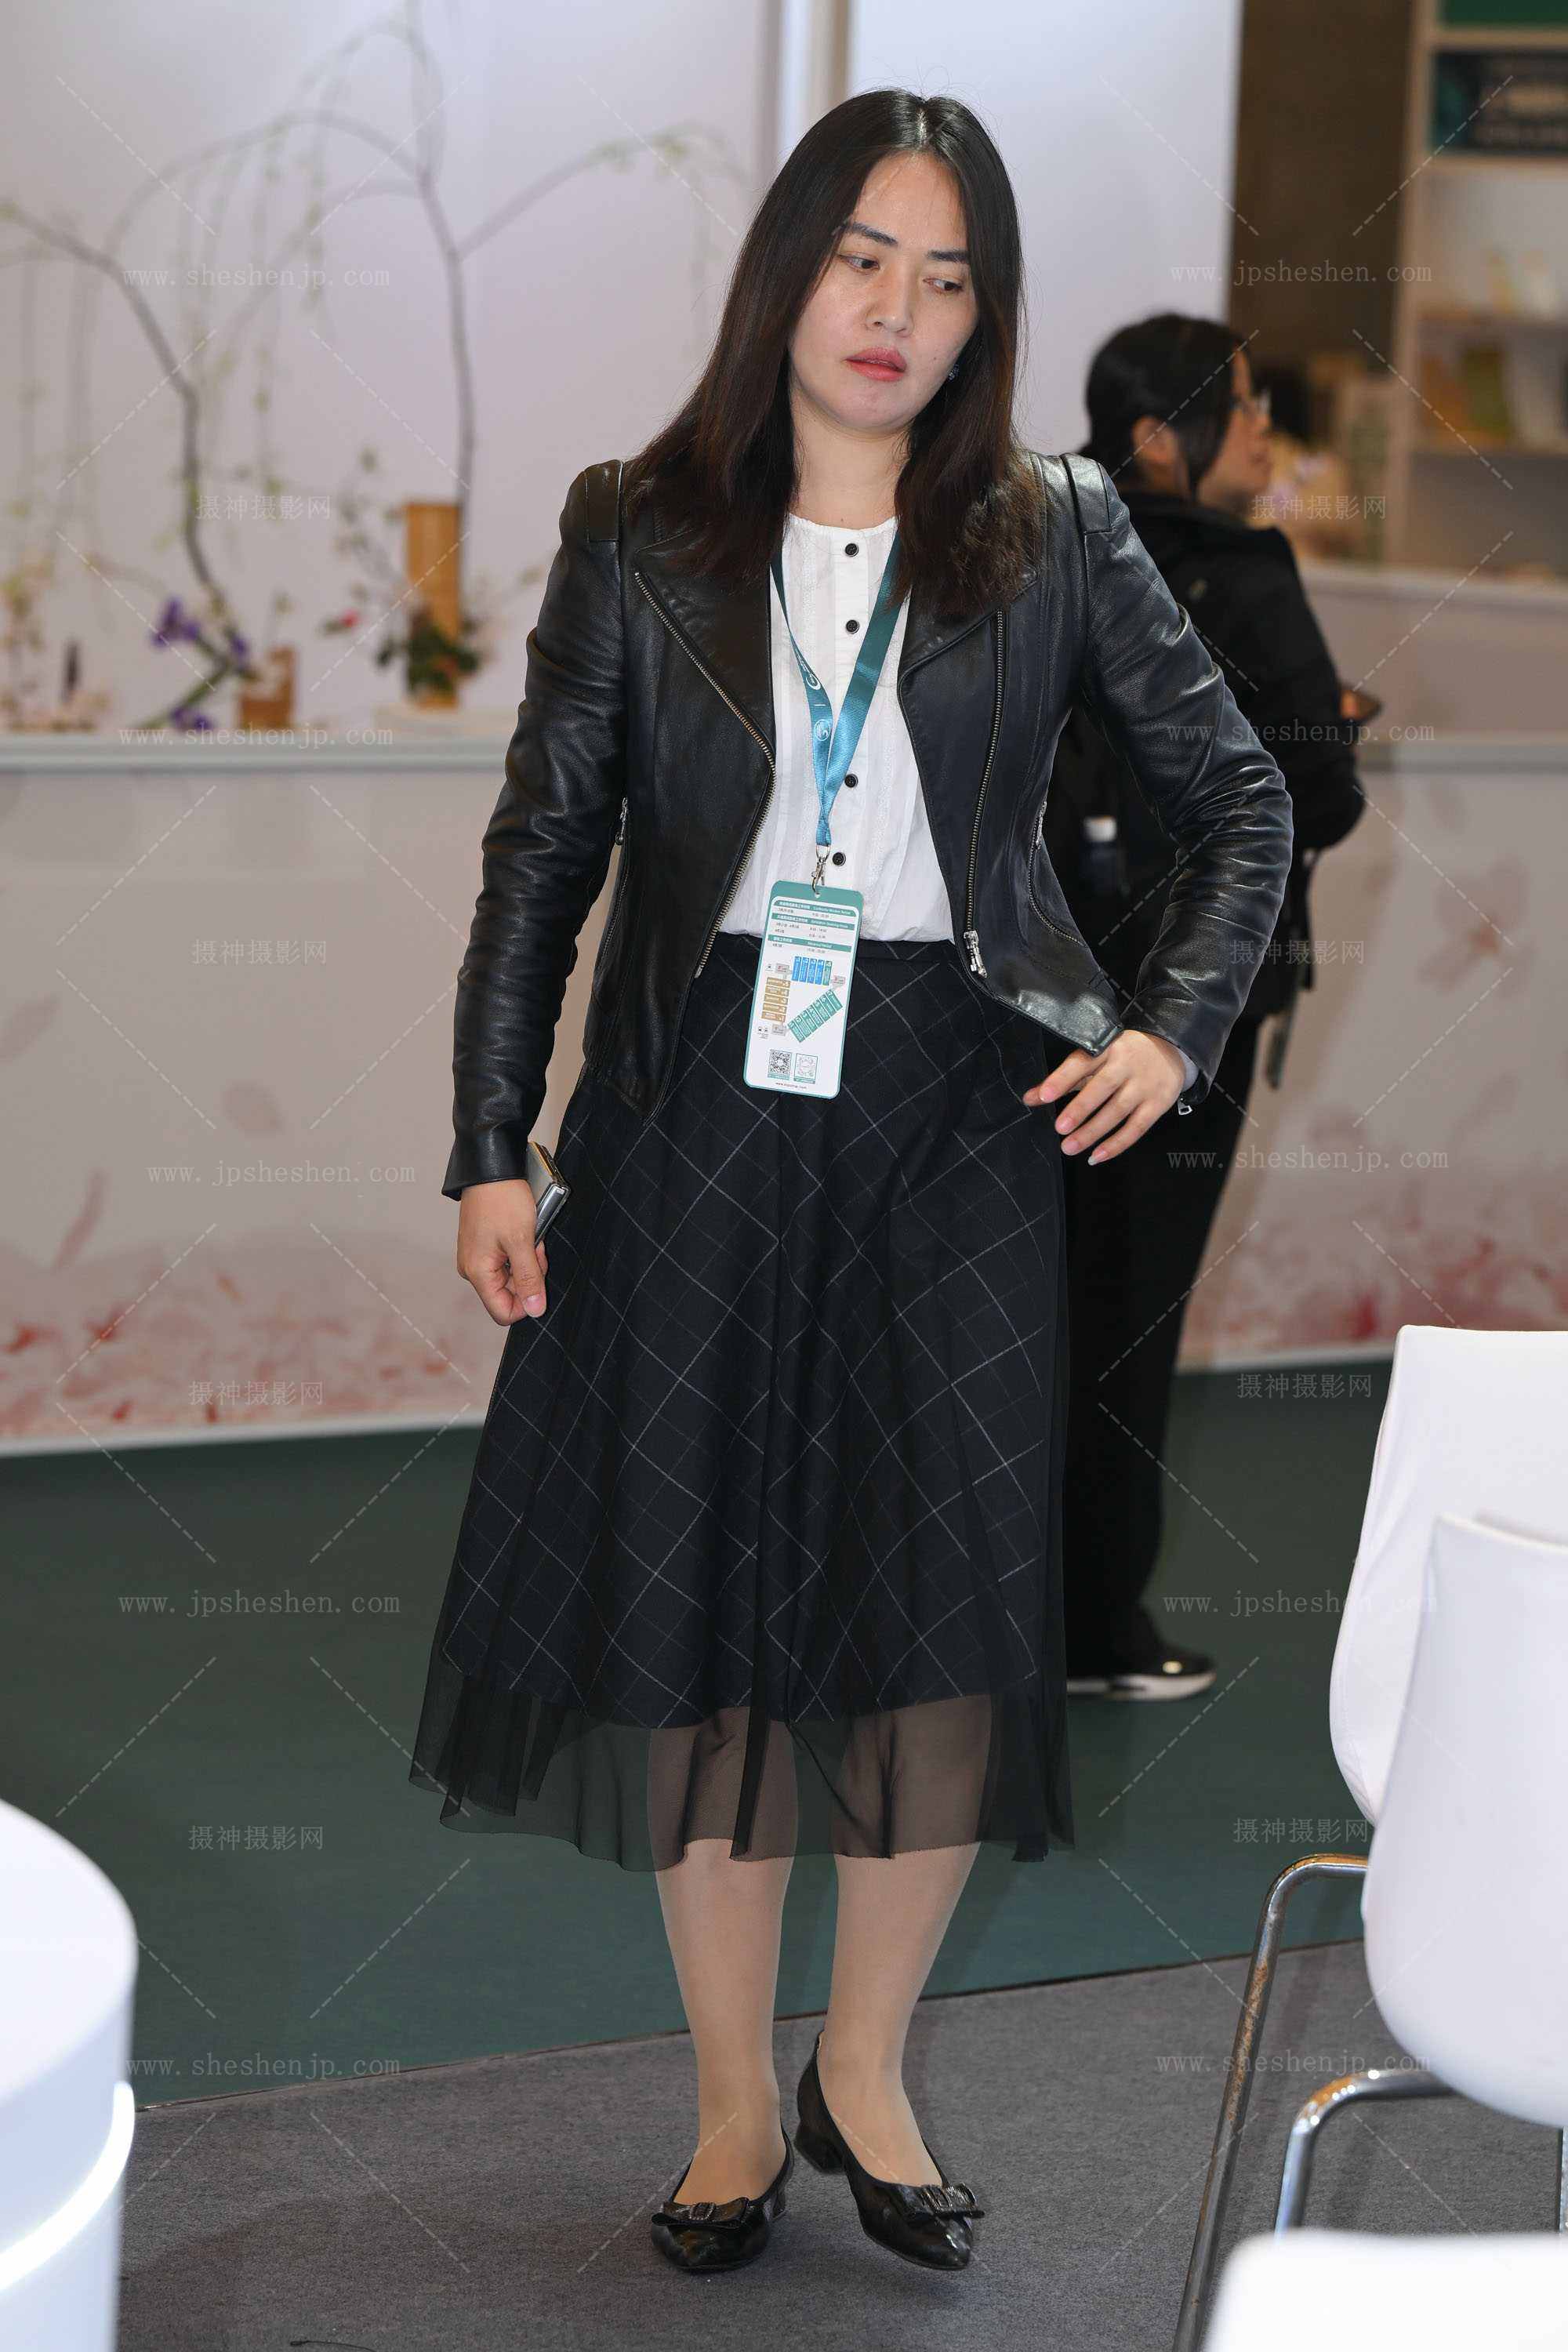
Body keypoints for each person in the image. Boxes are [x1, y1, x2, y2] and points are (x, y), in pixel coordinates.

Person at [408, 102, 1291, 2278]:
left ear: (986, 317)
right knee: (702, 1608)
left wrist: (1170, 1028)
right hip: (693, 1108)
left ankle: (864, 2071)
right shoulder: (640, 526)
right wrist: (492, 1136)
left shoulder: (1056, 530)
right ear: (788, 272)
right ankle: (731, 2101)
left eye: (949, 275)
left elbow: (1245, 803)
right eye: (863, 260)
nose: (899, 310)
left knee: (937, 1624)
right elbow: (546, 850)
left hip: (958, 1107)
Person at [1042, 314, 1364, 1702]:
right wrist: (1331, 723)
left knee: (1023, 1302)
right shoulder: (1241, 568)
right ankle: (1098, 1629)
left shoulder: (1035, 542)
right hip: (1185, 1011)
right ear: (1160, 437)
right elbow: (1317, 798)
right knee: (1131, 1319)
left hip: (1034, 987)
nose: (1265, 433)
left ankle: (981, 1609)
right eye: (1243, 409)